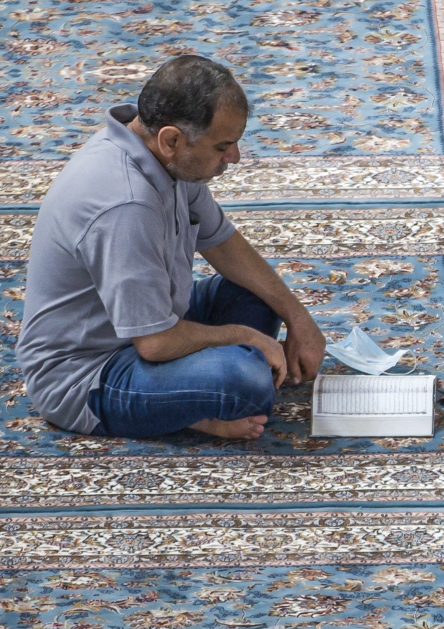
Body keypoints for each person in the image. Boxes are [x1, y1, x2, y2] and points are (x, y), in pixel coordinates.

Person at [16, 54, 326, 441]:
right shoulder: (126, 207)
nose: (234, 158)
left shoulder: (163, 157)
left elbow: (223, 243)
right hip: (90, 372)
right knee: (246, 381)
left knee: (261, 295)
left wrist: (298, 317)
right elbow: (155, 342)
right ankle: (193, 413)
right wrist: (247, 338)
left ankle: (189, 392)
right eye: (223, 146)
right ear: (171, 140)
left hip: (145, 322)